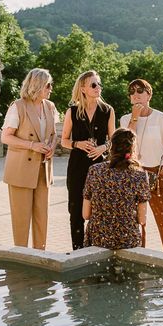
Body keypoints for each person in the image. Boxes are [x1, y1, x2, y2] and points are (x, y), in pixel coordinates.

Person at [120, 79, 163, 255]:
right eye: (132, 92)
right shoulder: (125, 119)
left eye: (140, 91)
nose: (135, 94)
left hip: (156, 174)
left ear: (149, 94)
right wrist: (134, 118)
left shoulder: (160, 118)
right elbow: (125, 146)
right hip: (133, 174)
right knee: (136, 222)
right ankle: (138, 257)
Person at [1, 68, 58, 250]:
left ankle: (40, 257)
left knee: (42, 217)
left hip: (43, 170)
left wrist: (51, 147)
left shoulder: (50, 106)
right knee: (21, 219)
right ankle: (22, 259)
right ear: (38, 85)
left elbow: (53, 134)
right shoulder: (17, 106)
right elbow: (6, 137)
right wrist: (32, 146)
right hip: (21, 171)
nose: (51, 88)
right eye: (48, 85)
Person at [61, 70, 115, 250]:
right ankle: (78, 251)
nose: (98, 87)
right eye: (93, 85)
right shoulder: (73, 111)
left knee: (100, 210)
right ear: (83, 88)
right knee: (75, 210)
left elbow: (113, 140)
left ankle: (97, 249)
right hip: (77, 167)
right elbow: (64, 141)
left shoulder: (107, 110)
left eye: (99, 84)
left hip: (100, 166)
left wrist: (103, 147)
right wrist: (78, 144)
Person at [83, 127, 149, 249]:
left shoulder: (95, 170)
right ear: (132, 149)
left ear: (111, 147)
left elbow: (86, 214)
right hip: (127, 240)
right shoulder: (139, 175)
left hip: (98, 240)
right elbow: (142, 219)